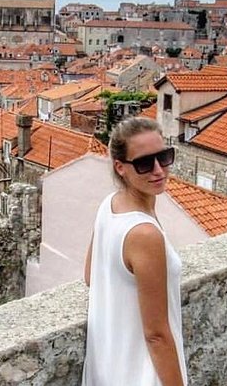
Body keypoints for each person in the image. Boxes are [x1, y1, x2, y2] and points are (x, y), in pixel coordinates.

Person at [82, 117, 187, 386]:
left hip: (109, 368)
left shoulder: (110, 205)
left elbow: (90, 275)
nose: (158, 170)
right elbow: (157, 335)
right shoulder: (144, 233)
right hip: (143, 374)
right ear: (120, 168)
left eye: (164, 157)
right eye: (143, 163)